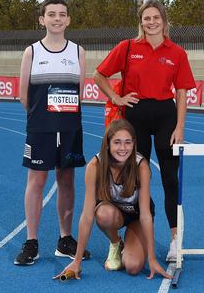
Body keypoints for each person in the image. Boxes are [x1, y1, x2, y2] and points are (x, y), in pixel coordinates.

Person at [94, 0, 196, 263]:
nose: (151, 22)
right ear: (141, 22)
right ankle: (137, 232)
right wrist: (116, 99)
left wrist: (180, 126)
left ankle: (175, 239)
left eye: (156, 18)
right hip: (135, 116)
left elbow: (182, 92)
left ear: (164, 20)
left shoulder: (177, 52)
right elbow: (99, 75)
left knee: (170, 179)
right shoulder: (127, 47)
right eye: (146, 18)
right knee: (137, 179)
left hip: (165, 116)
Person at [15, 0, 90, 266]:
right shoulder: (31, 53)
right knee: (36, 182)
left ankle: (65, 239)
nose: (57, 19)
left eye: (62, 14)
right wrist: (44, 119)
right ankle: (32, 241)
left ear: (68, 20)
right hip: (40, 129)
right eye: (51, 14)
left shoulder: (78, 52)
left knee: (67, 181)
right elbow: (24, 96)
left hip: (70, 129)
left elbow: (78, 93)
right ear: (42, 20)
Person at [54, 119, 172, 280]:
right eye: (117, 142)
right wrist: (77, 262)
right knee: (103, 214)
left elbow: (145, 214)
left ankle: (132, 246)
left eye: (127, 142)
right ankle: (116, 242)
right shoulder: (95, 166)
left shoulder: (141, 166)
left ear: (133, 144)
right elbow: (87, 216)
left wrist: (151, 259)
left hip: (136, 217)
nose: (122, 148)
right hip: (112, 213)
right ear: (108, 144)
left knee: (133, 267)